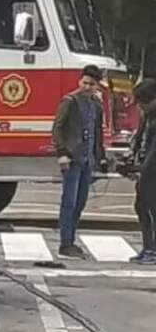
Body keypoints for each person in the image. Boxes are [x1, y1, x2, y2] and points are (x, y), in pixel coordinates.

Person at [51, 64, 106, 259]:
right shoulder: (69, 101)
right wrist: (61, 153)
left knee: (81, 201)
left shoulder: (96, 104)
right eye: (85, 83)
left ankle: (71, 240)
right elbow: (57, 128)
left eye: (91, 84)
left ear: (97, 85)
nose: (87, 87)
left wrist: (101, 155)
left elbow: (97, 131)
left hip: (87, 158)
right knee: (69, 201)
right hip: (72, 157)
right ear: (79, 81)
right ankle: (65, 243)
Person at [130, 79, 156, 264]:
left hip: (152, 171)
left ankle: (152, 250)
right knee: (140, 206)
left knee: (151, 209)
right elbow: (141, 139)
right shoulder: (147, 117)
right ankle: (148, 247)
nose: (140, 107)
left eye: (143, 103)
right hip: (146, 170)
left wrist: (142, 169)